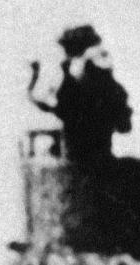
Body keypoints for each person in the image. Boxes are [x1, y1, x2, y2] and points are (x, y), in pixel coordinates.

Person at [35, 25, 131, 168]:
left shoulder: (75, 80)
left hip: (81, 161)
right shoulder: (104, 81)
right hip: (95, 161)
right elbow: (124, 126)